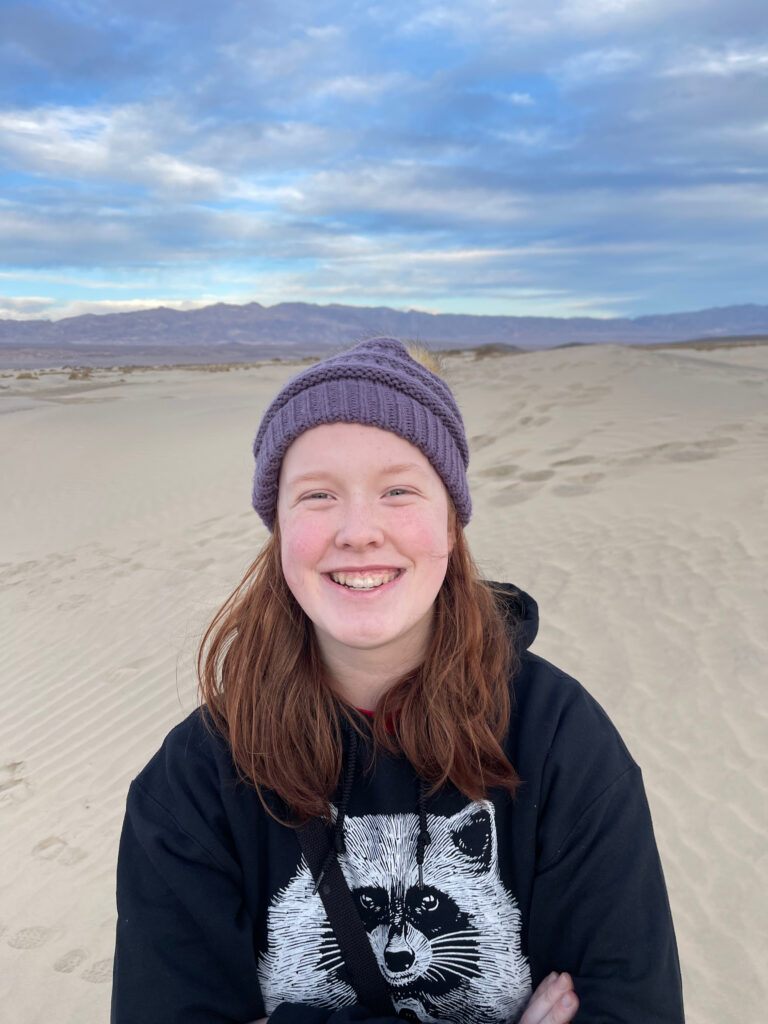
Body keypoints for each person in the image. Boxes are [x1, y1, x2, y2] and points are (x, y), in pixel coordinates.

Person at [111, 338, 684, 1024]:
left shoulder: (558, 739)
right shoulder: (196, 780)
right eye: (318, 494)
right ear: (279, 527)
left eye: (398, 490)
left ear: (451, 518)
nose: (359, 531)